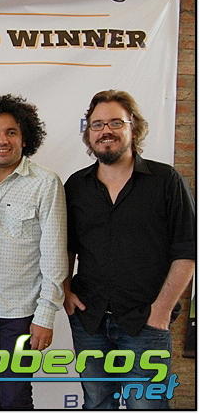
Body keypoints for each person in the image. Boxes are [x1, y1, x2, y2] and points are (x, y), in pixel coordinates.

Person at [64, 90, 195, 409]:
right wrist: (65, 290)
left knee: (146, 406)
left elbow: (187, 250)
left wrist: (161, 310)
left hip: (145, 321)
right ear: (88, 133)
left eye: (115, 123)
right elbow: (65, 247)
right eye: (97, 125)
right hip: (89, 320)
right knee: (96, 403)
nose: (105, 131)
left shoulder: (166, 181)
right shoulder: (76, 186)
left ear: (133, 127)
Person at [0, 93, 68, 409]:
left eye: (11, 132)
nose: (2, 140)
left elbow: (54, 255)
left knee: (15, 397)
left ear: (25, 138)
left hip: (21, 315)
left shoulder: (45, 183)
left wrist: (45, 315)